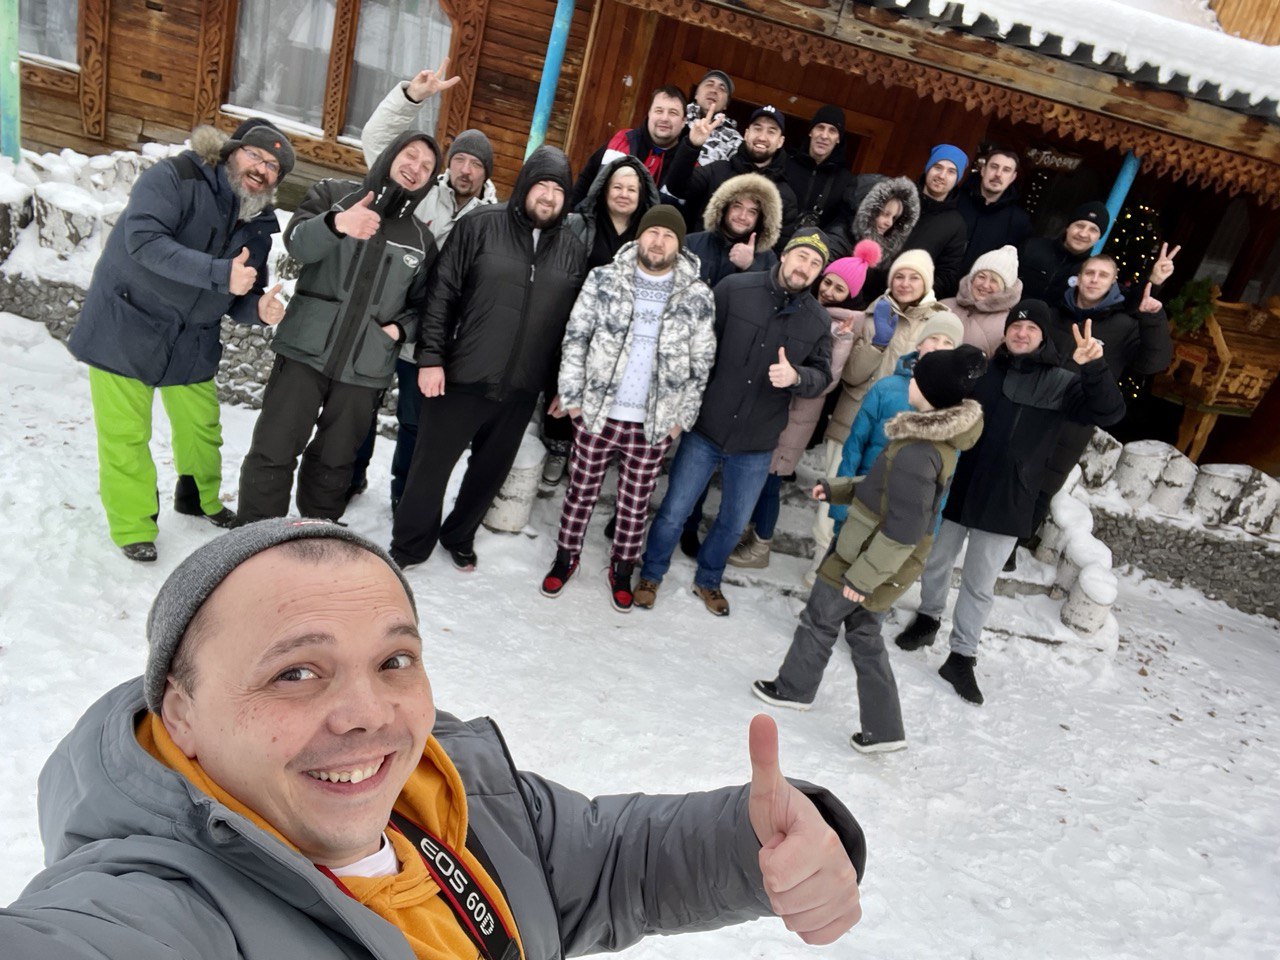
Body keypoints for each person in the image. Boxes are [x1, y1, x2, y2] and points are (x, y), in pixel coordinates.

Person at [0, 519, 867, 955]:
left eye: (394, 661)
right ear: (181, 714)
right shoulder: (158, 906)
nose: (366, 714)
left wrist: (762, 844)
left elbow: (603, 861)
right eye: (295, 672)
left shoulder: (453, 797)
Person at [67, 118, 294, 562]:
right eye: (255, 155)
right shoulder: (175, 177)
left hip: (193, 339)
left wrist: (258, 310)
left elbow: (240, 292)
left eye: (273, 166)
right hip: (128, 322)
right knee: (126, 436)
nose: (262, 168)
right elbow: (144, 241)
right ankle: (133, 526)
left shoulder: (259, 224)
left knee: (201, 427)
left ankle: (198, 498)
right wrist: (219, 273)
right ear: (231, 151)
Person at [752, 346, 987, 753]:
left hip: (864, 557)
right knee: (863, 633)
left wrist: (861, 578)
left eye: (917, 378)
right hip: (875, 554)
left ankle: (793, 689)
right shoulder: (926, 441)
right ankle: (885, 729)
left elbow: (903, 528)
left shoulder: (918, 452)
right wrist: (838, 489)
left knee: (820, 618)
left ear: (929, 392)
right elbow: (884, 489)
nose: (909, 381)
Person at [893, 301, 1126, 705]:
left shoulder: (1062, 383)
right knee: (935, 561)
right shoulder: (983, 370)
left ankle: (961, 656)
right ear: (1005, 332)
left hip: (1009, 498)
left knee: (979, 583)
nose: (1021, 333)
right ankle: (928, 617)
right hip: (960, 484)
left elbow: (1110, 411)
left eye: (1031, 328)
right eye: (1016, 326)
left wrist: (1094, 367)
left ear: (1043, 336)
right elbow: (936, 389)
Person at [390, 146, 589, 572]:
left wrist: (561, 385)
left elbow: (570, 327)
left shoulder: (572, 250)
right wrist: (431, 358)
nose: (549, 196)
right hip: (461, 374)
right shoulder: (481, 225)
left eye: (558, 190)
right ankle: (409, 545)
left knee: (489, 473)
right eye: (542, 186)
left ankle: (459, 536)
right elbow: (441, 293)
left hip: (521, 386)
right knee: (430, 468)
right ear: (526, 185)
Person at [236, 131, 439, 524]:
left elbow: (424, 306)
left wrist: (398, 330)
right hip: (304, 350)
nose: (415, 168)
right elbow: (298, 244)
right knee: (274, 450)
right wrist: (338, 223)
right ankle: (255, 538)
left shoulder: (421, 240)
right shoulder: (333, 194)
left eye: (427, 167)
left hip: (365, 369)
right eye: (410, 155)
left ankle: (318, 537)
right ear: (391, 155)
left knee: (335, 464)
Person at [635, 230, 834, 616]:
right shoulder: (734, 289)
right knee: (675, 510)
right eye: (801, 256)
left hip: (757, 441)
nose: (805, 267)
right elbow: (698, 343)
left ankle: (709, 578)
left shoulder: (817, 320)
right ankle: (651, 573)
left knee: (733, 521)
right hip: (707, 427)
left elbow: (822, 376)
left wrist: (797, 377)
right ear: (785, 255)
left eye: (815, 263)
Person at [541, 206, 716, 610]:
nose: (659, 241)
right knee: (580, 492)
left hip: (654, 422)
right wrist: (574, 398)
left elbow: (702, 362)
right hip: (598, 412)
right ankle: (566, 556)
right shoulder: (604, 278)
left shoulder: (697, 295)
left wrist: (680, 419)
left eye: (668, 236)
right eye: (653, 232)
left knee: (635, 505)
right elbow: (576, 337)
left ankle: (622, 568)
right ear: (640, 236)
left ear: (679, 245)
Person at [351, 60, 499, 508]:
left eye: (476, 164)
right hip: (385, 319)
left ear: (486, 173)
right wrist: (411, 98)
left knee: (415, 424)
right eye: (460, 159)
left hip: (430, 339)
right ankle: (349, 478)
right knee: (360, 407)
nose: (465, 170)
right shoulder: (420, 190)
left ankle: (404, 496)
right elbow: (377, 142)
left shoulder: (494, 223)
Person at [729, 241, 882, 570]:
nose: (829, 291)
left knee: (771, 480)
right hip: (775, 405)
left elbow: (828, 379)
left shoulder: (844, 327)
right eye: (828, 282)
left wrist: (837, 344)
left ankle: (761, 545)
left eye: (840, 289)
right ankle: (747, 533)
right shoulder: (805, 306)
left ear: (851, 295)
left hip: (797, 416)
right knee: (759, 476)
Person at [811, 251, 952, 582]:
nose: (905, 283)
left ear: (927, 282)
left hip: (903, 433)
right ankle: (821, 570)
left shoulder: (939, 323)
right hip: (852, 419)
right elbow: (851, 375)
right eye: (899, 276)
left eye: (914, 277)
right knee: (834, 500)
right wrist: (877, 345)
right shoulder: (873, 313)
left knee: (879, 510)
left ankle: (859, 579)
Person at [539, 158, 663, 486]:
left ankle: (585, 450)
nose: (624, 194)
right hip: (574, 318)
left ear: (642, 195)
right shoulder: (578, 224)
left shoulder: (647, 236)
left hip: (620, 330)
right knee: (562, 380)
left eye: (631, 189)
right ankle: (557, 447)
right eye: (617, 187)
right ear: (604, 189)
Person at [824, 312, 967, 535]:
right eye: (934, 338)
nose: (939, 346)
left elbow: (945, 478)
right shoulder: (886, 388)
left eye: (948, 342)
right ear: (920, 343)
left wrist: (929, 532)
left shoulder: (954, 406)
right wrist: (840, 506)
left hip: (904, 517)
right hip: (864, 501)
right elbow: (854, 448)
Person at [663, 104, 799, 241]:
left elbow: (779, 249)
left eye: (771, 132)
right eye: (757, 128)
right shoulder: (718, 170)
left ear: (780, 141)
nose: (762, 137)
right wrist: (692, 145)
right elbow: (677, 187)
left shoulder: (785, 196)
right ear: (746, 134)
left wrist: (752, 255)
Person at [572, 85, 688, 205]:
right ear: (649, 113)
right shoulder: (623, 140)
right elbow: (586, 179)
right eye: (659, 111)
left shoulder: (688, 162)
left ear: (684, 121)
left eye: (673, 113)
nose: (664, 118)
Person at [685, 172, 783, 286]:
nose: (742, 216)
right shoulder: (692, 243)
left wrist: (750, 267)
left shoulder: (767, 257)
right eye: (737, 207)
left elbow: (770, 294)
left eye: (752, 212)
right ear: (724, 208)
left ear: (761, 219)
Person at [901, 144, 969, 299]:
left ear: (957, 179)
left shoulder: (956, 225)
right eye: (938, 167)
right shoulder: (899, 200)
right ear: (928, 168)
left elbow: (946, 275)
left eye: (951, 171)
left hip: (908, 302)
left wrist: (913, 293)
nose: (942, 176)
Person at [955, 147, 1031, 274]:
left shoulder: (1018, 221)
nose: (998, 174)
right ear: (983, 170)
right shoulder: (955, 200)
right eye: (994, 167)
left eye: (1006, 170)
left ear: (1013, 177)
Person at [940, 244, 1024, 356]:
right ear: (971, 279)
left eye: (994, 281)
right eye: (981, 277)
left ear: (1005, 289)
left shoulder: (1007, 325)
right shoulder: (943, 306)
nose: (985, 285)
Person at [1018, 201, 1109, 304]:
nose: (1083, 234)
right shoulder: (1032, 247)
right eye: (1080, 226)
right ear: (1068, 227)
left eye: (1093, 230)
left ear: (1099, 238)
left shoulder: (1092, 273)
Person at [784, 105, 853, 236]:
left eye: (832, 131)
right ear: (811, 132)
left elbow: (841, 225)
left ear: (839, 139)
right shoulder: (785, 164)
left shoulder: (846, 181)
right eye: (820, 127)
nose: (824, 136)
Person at [685, 68, 743, 165]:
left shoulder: (734, 140)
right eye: (709, 84)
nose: (714, 90)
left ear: (726, 105)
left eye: (722, 89)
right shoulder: (678, 119)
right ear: (696, 94)